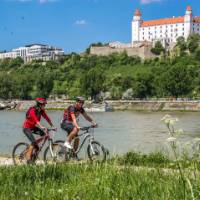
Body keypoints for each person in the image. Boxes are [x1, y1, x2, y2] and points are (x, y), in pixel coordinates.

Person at [23, 97, 56, 162]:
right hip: (26, 128)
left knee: (44, 135)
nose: (45, 106)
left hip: (33, 127)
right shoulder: (32, 110)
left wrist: (52, 126)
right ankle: (28, 159)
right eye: (44, 104)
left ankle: (34, 150)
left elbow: (47, 118)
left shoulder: (41, 111)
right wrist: (41, 126)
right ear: (39, 105)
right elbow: (36, 120)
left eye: (45, 104)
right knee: (33, 142)